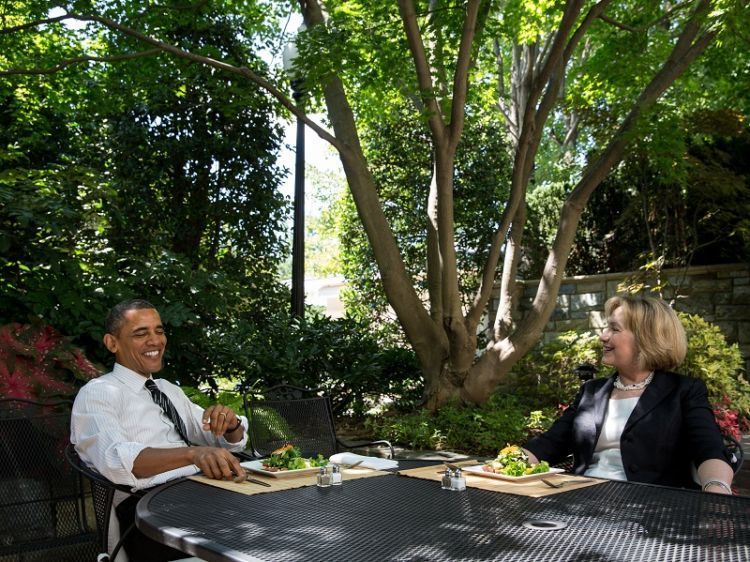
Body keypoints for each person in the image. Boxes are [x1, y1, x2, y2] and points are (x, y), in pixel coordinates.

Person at [71, 298, 249, 561]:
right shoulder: (98, 394)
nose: (155, 341)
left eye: (159, 330)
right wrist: (192, 454)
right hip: (148, 512)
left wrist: (230, 424)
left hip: (203, 493)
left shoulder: (167, 389)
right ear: (112, 343)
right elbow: (118, 460)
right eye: (141, 333)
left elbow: (220, 438)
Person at [523, 295, 735, 494]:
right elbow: (548, 445)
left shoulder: (684, 391)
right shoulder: (592, 390)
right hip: (582, 502)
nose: (603, 336)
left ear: (646, 338)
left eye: (614, 329)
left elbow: (709, 450)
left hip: (651, 512)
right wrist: (502, 464)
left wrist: (717, 492)